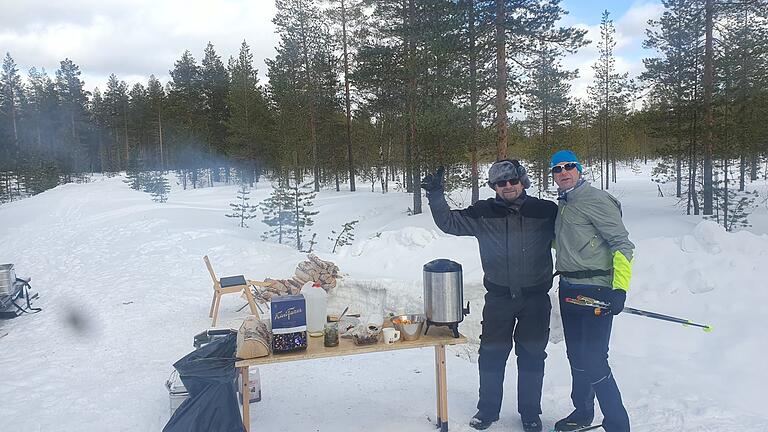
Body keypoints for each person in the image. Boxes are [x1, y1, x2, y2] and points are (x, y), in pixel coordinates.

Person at [421, 160, 558, 432]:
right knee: (492, 354)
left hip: (535, 299)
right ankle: (487, 410)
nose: (507, 186)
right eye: (500, 183)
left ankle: (530, 413)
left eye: (512, 181)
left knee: (532, 356)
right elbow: (449, 222)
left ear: (522, 181)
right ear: (493, 186)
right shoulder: (483, 212)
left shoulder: (546, 211)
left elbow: (576, 231)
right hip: (499, 299)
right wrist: (436, 195)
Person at [549, 150, 634, 432]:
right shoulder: (565, 203)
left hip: (596, 288)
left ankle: (618, 424)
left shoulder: (596, 199)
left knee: (595, 359)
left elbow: (622, 244)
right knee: (576, 355)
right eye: (557, 168)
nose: (563, 171)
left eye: (569, 166)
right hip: (568, 287)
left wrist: (619, 289)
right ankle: (582, 412)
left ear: (579, 169)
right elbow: (569, 243)